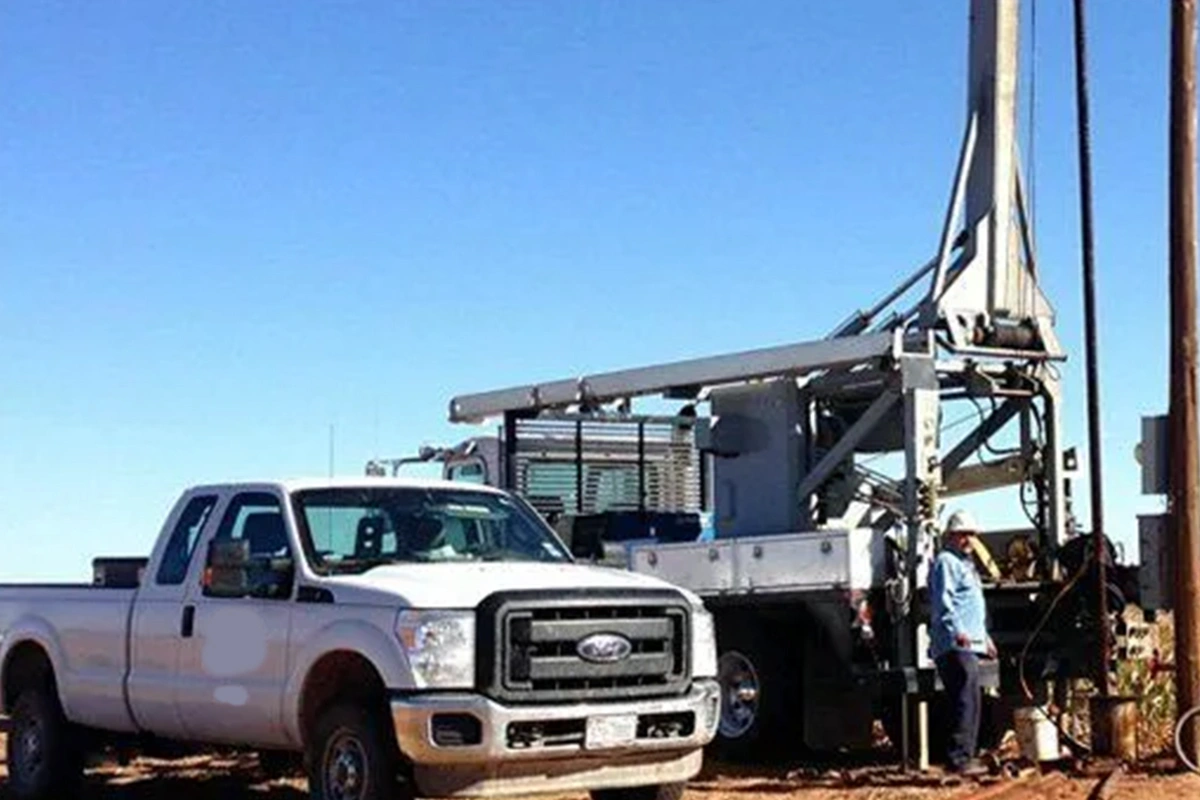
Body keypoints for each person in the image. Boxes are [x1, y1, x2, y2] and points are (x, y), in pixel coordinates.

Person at [929, 510, 997, 776]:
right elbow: (943, 602)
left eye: (971, 534)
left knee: (970, 698)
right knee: (965, 699)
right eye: (963, 534)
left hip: (970, 641)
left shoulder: (966, 565)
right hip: (956, 643)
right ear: (951, 536)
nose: (968, 539)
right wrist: (957, 631)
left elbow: (971, 606)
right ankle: (959, 759)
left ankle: (964, 756)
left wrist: (985, 639)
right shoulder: (946, 562)